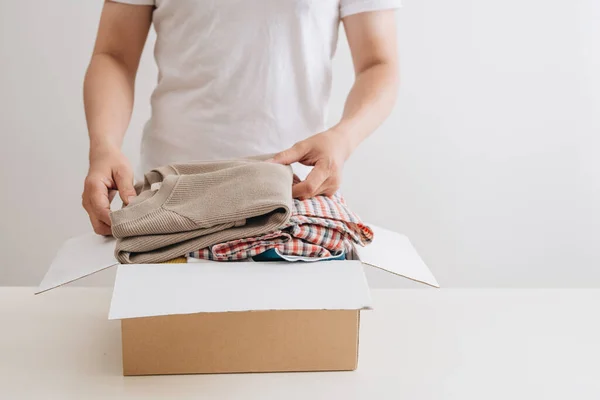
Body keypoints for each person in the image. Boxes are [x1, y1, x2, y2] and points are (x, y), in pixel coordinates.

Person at [82, 0, 401, 236]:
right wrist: (104, 146)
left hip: (297, 194)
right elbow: (115, 54)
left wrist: (344, 139)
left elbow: (378, 63)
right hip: (172, 193)